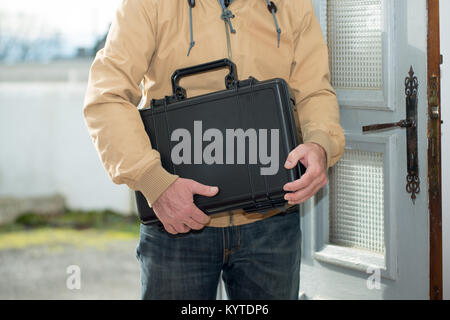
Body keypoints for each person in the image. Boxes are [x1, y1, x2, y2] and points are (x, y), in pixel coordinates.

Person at [83, 0, 345, 300]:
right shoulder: (147, 4)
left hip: (271, 222)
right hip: (176, 221)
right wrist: (152, 180)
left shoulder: (292, 4)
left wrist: (320, 143)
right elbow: (105, 95)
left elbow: (314, 91)